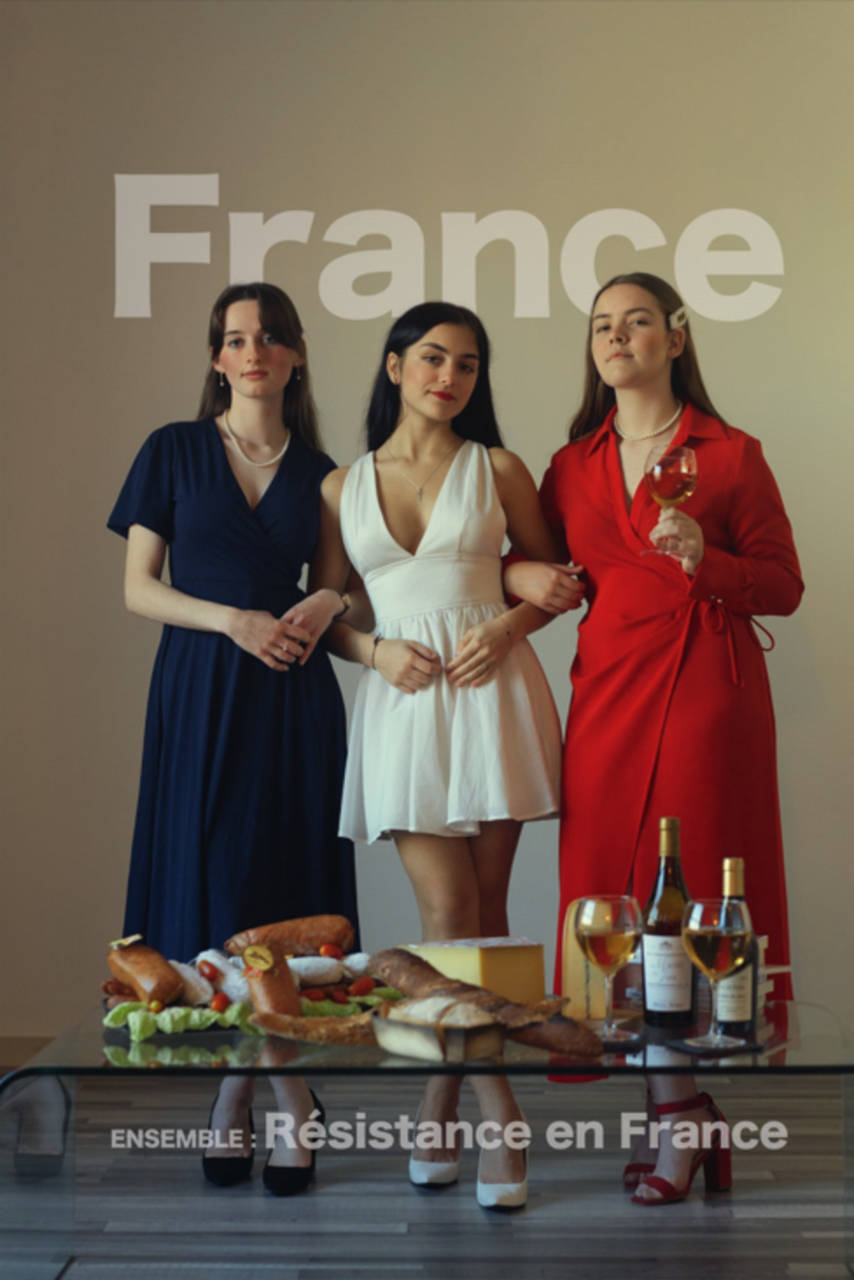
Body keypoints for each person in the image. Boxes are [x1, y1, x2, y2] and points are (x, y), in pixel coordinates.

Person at [507, 271, 803, 1205]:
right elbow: (535, 564)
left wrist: (705, 561)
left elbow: (783, 584)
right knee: (608, 902)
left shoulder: (733, 453)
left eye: (636, 321)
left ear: (675, 339)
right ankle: (683, 1115)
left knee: (679, 900)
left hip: (703, 696)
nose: (616, 336)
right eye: (601, 324)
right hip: (605, 698)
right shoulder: (571, 463)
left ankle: (681, 1123)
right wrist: (526, 582)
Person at [312, 301, 579, 1209]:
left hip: (493, 693)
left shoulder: (497, 467)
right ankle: (495, 1113)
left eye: (467, 365)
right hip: (404, 702)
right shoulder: (340, 486)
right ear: (394, 366)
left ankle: (440, 1111)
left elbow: (557, 583)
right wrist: (374, 651)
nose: (449, 378)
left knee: (486, 914)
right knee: (447, 912)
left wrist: (506, 627)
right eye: (432, 359)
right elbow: (332, 608)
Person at [108, 282, 358, 1195]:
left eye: (270, 337)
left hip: (294, 703)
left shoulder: (324, 471)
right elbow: (139, 588)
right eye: (235, 338)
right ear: (218, 358)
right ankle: (270, 1099)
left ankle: (256, 1097)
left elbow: (338, 592)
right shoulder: (172, 450)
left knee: (288, 900)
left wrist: (321, 601)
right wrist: (234, 622)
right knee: (218, 899)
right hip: (203, 692)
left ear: (294, 355)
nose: (252, 352)